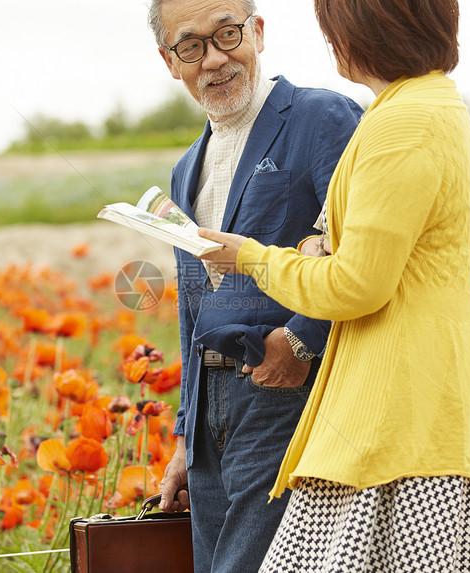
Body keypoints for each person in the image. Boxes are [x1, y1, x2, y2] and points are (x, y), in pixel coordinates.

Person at [198, 0, 470, 571]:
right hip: (435, 396)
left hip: (403, 407)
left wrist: (253, 258)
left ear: (367, 27)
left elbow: (358, 285)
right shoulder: (433, 106)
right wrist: (318, 247)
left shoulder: (401, 122)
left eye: (332, 26)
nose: (331, 41)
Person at [147, 0, 364, 571]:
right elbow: (193, 310)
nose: (215, 60)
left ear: (259, 32)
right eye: (192, 46)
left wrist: (300, 341)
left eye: (228, 35)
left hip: (285, 391)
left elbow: (360, 251)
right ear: (171, 61)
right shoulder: (186, 166)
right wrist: (183, 438)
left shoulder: (323, 117)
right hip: (209, 408)